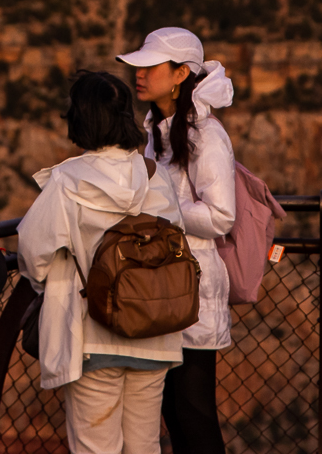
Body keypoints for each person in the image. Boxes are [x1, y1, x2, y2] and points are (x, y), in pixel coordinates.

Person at [18, 71, 185, 454]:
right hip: (155, 333)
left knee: (95, 447)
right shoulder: (155, 176)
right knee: (144, 446)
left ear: (81, 119)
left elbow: (32, 250)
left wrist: (49, 284)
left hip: (93, 333)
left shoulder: (67, 181)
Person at [116, 27, 238, 454]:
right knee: (173, 411)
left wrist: (158, 213)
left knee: (193, 415)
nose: (140, 74)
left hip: (195, 290)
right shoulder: (157, 130)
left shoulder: (207, 136)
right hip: (166, 289)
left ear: (181, 73)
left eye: (151, 66)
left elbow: (222, 216)